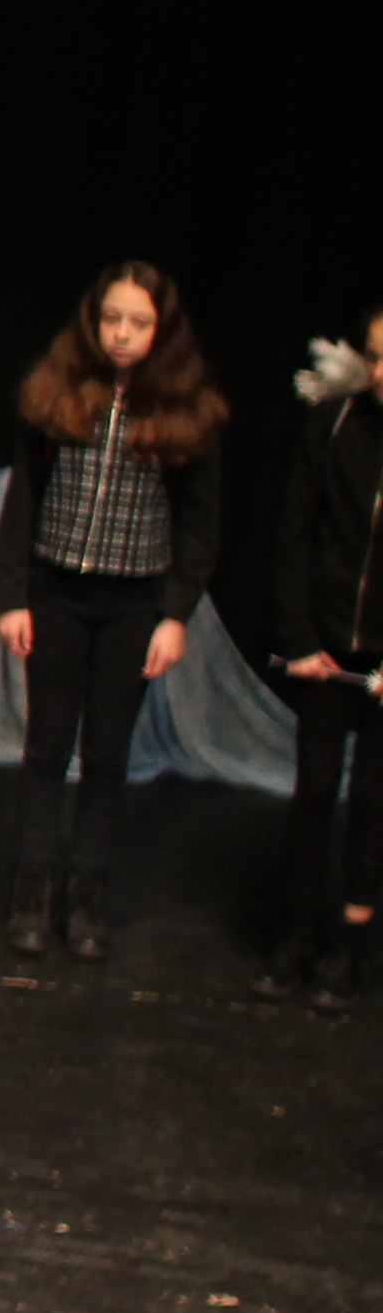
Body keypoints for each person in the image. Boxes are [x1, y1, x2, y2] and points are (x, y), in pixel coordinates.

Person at [0, 263, 226, 961]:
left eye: (138, 323)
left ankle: (87, 893)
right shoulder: (58, 390)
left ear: (162, 330)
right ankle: (32, 886)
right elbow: (24, 496)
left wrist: (175, 613)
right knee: (46, 745)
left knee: (107, 752)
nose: (121, 334)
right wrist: (12, 596)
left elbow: (200, 523)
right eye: (111, 319)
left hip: (133, 602)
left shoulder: (184, 408)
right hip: (57, 591)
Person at [258, 308, 383, 1003]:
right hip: (328, 650)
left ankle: (350, 946)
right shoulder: (335, 424)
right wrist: (301, 639)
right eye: (377, 356)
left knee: (372, 800)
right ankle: (296, 934)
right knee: (313, 791)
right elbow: (295, 535)